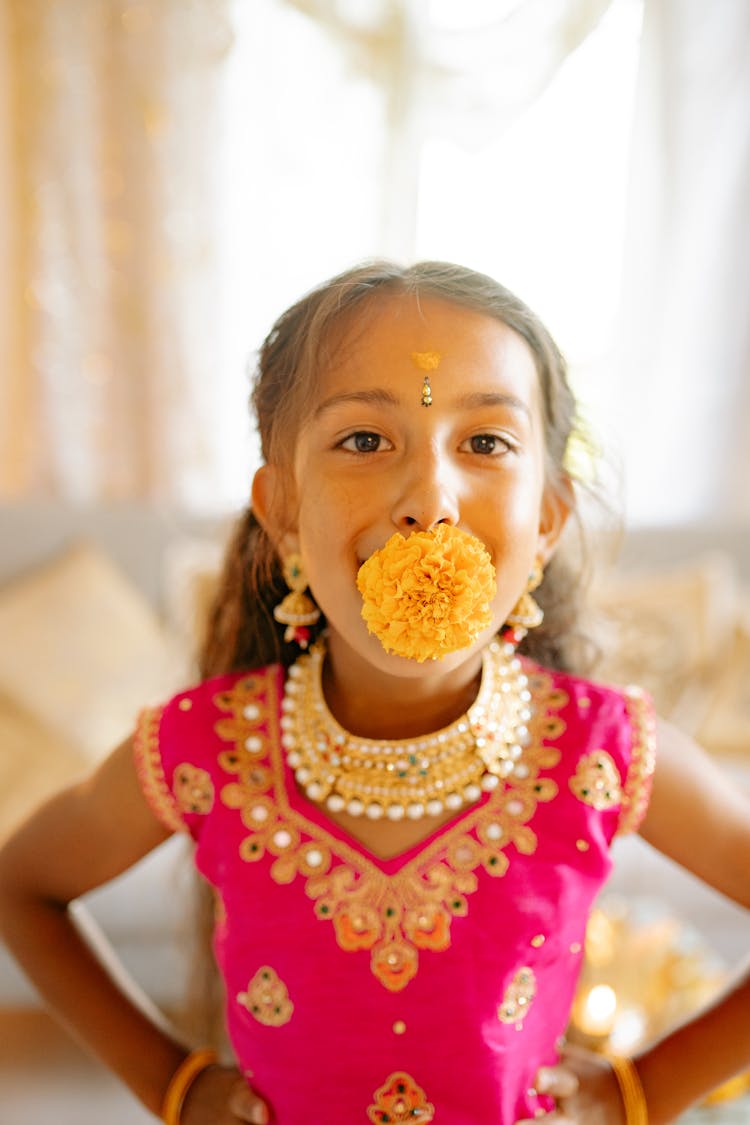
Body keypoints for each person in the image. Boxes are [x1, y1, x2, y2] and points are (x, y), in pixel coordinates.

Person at [0, 260, 748, 1125]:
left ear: (546, 519)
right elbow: (23, 884)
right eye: (363, 440)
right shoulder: (203, 747)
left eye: (486, 442)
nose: (430, 499)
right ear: (281, 508)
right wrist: (172, 1084)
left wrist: (642, 1092)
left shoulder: (602, 751)